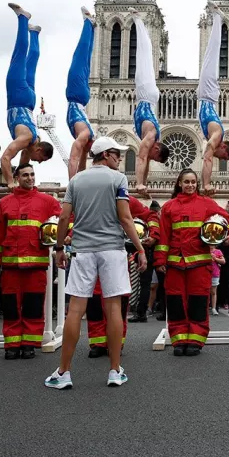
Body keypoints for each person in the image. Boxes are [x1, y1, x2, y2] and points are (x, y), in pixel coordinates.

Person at [47, 137, 146, 388]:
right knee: (113, 308)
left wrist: (60, 247)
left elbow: (64, 216)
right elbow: (125, 218)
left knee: (76, 310)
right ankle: (114, 370)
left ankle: (63, 372)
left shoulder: (76, 180)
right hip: (112, 249)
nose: (120, 158)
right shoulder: (118, 179)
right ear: (106, 155)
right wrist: (140, 248)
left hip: (83, 250)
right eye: (117, 154)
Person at [154, 169, 229, 355]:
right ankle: (179, 340)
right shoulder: (169, 207)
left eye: (193, 182)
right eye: (186, 182)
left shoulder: (206, 203)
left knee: (198, 303)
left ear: (197, 184)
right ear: (180, 184)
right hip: (175, 265)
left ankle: (196, 341)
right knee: (175, 303)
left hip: (200, 265)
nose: (190, 185)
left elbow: (228, 219)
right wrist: (160, 260)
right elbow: (164, 237)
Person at [0, 163, 61, 360]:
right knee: (11, 307)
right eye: (25, 175)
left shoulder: (47, 201)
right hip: (10, 266)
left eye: (32, 174)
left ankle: (29, 344)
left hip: (36, 266)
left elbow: (64, 219)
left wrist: (64, 237)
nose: (30, 178)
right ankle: (12, 344)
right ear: (17, 178)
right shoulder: (5, 202)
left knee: (33, 306)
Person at [86, 194, 159, 357]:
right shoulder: (89, 196)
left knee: (119, 301)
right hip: (93, 256)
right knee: (96, 301)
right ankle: (97, 342)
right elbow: (72, 218)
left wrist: (153, 235)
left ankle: (116, 342)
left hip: (118, 256)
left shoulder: (126, 200)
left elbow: (150, 216)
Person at [0, 3, 54, 189]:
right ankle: (23, 19)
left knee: (30, 65)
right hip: (18, 99)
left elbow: (23, 164)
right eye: (40, 159)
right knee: (19, 58)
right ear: (38, 149)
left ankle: (34, 33)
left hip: (28, 101)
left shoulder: (32, 142)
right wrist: (10, 182)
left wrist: (20, 177)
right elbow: (5, 158)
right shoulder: (25, 139)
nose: (37, 162)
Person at [196, 3, 229, 196]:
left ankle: (217, 18)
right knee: (211, 54)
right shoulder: (217, 135)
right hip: (208, 93)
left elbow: (208, 157)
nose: (219, 158)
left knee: (210, 56)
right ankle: (218, 18)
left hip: (206, 94)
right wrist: (206, 184)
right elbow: (207, 158)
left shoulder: (215, 135)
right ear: (223, 148)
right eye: (223, 157)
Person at [128, 7, 172, 194]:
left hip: (146, 95)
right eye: (155, 157)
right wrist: (138, 184)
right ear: (157, 148)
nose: (151, 158)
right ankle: (138, 20)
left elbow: (144, 160)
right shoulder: (151, 136)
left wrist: (143, 184)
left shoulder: (151, 138)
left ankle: (139, 23)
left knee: (143, 58)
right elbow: (141, 157)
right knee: (144, 56)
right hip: (146, 94)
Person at [65, 7, 98, 179]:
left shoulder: (86, 138)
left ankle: (91, 27)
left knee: (84, 59)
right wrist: (72, 183)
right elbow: (73, 159)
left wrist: (78, 181)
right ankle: (88, 23)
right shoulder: (85, 134)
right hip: (76, 96)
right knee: (79, 58)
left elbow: (82, 165)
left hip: (80, 97)